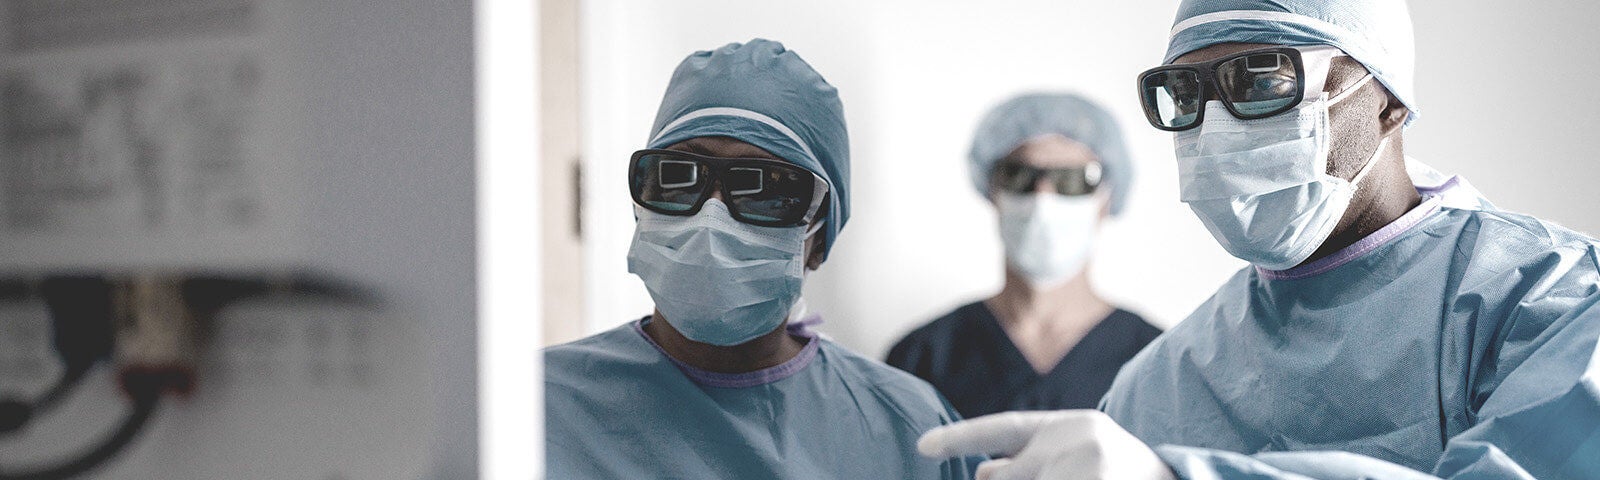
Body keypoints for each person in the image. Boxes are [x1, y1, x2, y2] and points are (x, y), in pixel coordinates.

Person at [916, 1, 1600, 479]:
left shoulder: (1549, 298)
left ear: (1386, 97)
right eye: (1183, 93)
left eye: (1263, 77)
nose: (1216, 127)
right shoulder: (1161, 381)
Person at [543, 39, 980, 479]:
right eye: (679, 174)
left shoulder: (909, 430)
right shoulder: (533, 405)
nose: (712, 214)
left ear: (818, 239)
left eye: (766, 189)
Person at [885, 93, 1161, 419]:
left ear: (1106, 199)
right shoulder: (924, 357)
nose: (1043, 198)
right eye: (1018, 176)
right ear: (992, 191)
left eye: (1072, 179)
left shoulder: (1153, 361)